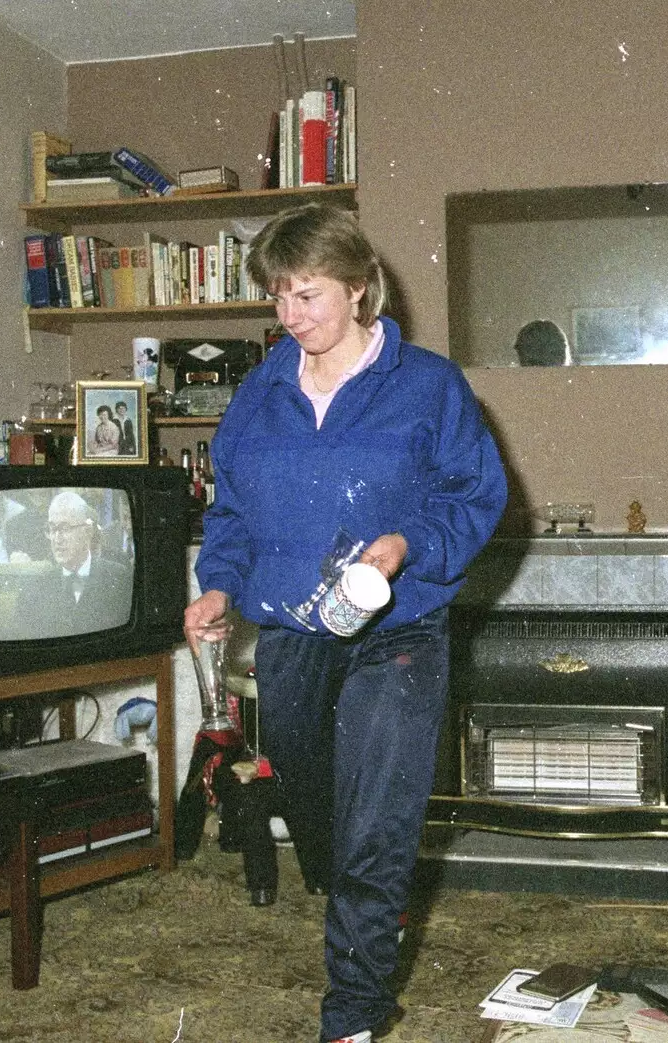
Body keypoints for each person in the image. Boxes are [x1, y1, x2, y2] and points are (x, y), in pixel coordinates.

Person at [184, 202, 507, 1043]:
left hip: (400, 629)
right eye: (279, 299)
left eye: (308, 296)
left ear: (361, 290)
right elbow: (230, 512)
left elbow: (477, 497)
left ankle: (352, 1018)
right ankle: (374, 900)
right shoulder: (259, 394)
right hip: (294, 627)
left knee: (376, 822)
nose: (290, 318)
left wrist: (410, 543)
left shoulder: (428, 384)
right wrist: (219, 587)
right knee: (318, 818)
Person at [11, 489, 131, 638]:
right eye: (52, 528)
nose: (57, 538)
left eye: (65, 528)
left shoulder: (119, 577)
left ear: (87, 531)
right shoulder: (32, 590)